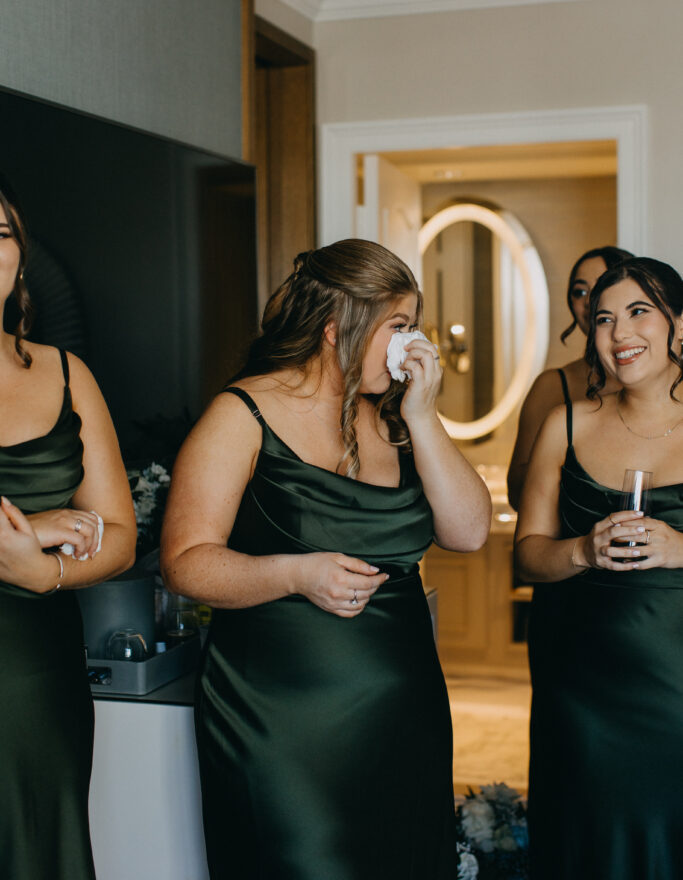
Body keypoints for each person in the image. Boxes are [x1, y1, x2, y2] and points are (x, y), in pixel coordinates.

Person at [161, 239, 491, 880]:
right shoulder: (243, 413)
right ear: (339, 326)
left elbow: (470, 532)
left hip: (403, 719)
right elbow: (184, 562)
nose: (410, 344)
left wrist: (424, 418)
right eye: (397, 326)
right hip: (281, 724)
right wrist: (294, 572)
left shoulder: (397, 419)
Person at [515, 256, 683, 879]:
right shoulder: (566, 425)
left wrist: (679, 548)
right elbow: (528, 554)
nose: (619, 334)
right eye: (605, 319)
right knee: (587, 837)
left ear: (680, 326)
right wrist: (583, 551)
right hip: (581, 688)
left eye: (640, 312)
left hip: (676, 686)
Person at [0, 178, 137, 880]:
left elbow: (119, 535)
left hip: (38, 677)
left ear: (20, 258)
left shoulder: (64, 372)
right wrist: (36, 525)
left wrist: (44, 571)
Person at [507, 245, 632, 509]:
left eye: (601, 285)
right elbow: (517, 494)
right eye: (580, 292)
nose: (589, 301)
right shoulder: (552, 386)